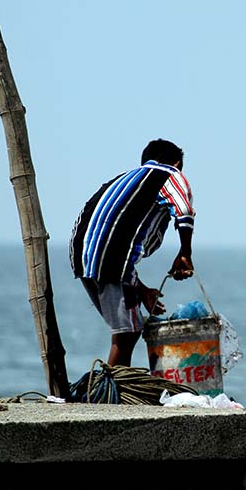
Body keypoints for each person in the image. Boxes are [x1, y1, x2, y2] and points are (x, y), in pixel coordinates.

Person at [69, 138, 196, 367]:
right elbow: (184, 210)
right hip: (109, 257)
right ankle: (114, 392)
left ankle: (117, 388)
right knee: (127, 331)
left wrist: (143, 290)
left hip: (83, 255)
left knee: (130, 325)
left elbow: (116, 246)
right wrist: (185, 252)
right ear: (177, 163)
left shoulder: (121, 180)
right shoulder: (168, 173)